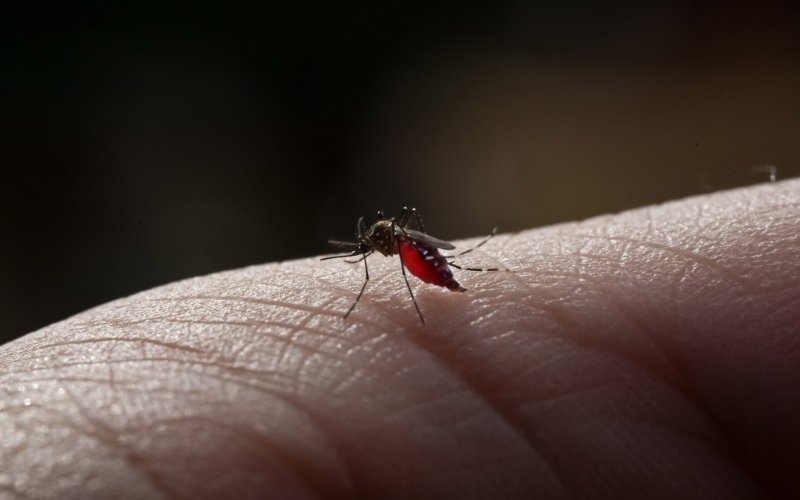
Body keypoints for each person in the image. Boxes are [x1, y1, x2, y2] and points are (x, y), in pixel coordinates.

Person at [0, 181, 797, 499]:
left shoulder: (391, 248)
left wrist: (431, 266)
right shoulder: (385, 245)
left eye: (381, 245)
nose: (378, 250)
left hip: (435, 271)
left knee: (415, 258)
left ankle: (451, 270)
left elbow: (395, 244)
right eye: (387, 246)